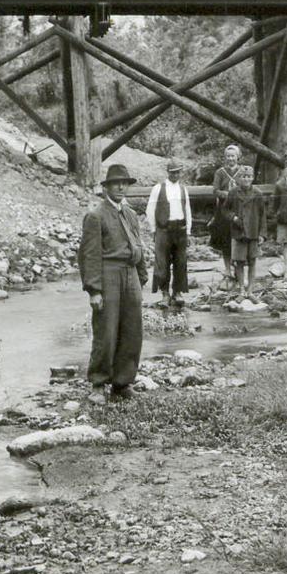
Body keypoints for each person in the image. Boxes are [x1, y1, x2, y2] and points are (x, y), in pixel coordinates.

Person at [78, 164, 149, 398]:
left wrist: (141, 274)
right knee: (106, 332)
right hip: (108, 275)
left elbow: (137, 244)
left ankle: (122, 383)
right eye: (115, 183)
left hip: (130, 275)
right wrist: (94, 290)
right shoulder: (95, 216)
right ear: (106, 187)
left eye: (124, 183)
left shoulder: (130, 214)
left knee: (132, 330)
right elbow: (89, 255)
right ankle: (98, 383)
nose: (120, 187)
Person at [145, 158, 192, 308]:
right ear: (168, 172)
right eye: (172, 172)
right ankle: (164, 293)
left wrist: (188, 231)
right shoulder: (158, 188)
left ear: (180, 173)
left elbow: (188, 210)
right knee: (162, 263)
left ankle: (177, 292)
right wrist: (154, 229)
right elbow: (150, 210)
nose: (175, 175)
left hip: (180, 230)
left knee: (181, 261)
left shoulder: (183, 189)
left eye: (178, 172)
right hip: (163, 229)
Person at [227, 166, 267, 293]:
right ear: (239, 178)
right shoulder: (233, 192)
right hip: (238, 232)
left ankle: (250, 289)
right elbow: (225, 209)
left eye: (249, 176)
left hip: (253, 232)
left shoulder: (258, 193)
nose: (246, 179)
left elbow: (262, 215)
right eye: (244, 176)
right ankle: (241, 289)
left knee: (252, 260)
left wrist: (262, 234)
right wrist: (233, 217)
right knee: (239, 261)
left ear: (253, 178)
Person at [209, 144, 242, 289]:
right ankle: (227, 270)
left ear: (237, 157)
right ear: (225, 157)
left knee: (239, 239)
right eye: (228, 156)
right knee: (225, 242)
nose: (230, 158)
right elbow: (215, 190)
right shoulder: (220, 172)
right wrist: (227, 195)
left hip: (239, 210)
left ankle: (239, 270)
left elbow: (247, 186)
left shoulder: (242, 171)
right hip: (223, 211)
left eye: (233, 156)